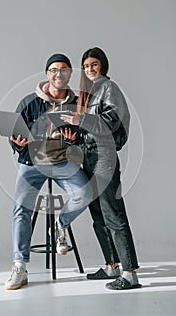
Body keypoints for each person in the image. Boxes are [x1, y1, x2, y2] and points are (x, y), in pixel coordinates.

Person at [5, 53, 92, 290]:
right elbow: (14, 135)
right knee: (21, 208)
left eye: (64, 70)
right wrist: (17, 143)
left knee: (85, 193)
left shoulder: (79, 104)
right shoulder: (29, 102)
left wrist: (74, 139)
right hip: (32, 162)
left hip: (63, 161)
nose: (59, 74)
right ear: (47, 74)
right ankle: (19, 266)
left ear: (70, 74)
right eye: (54, 70)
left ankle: (60, 225)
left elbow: (86, 137)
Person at [61, 47, 141, 290]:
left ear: (103, 65)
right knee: (97, 214)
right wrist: (73, 136)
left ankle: (130, 273)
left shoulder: (109, 88)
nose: (90, 69)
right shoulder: (89, 93)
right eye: (86, 66)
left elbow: (111, 120)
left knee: (112, 213)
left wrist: (81, 120)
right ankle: (112, 266)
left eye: (94, 64)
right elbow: (88, 131)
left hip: (105, 156)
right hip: (90, 155)